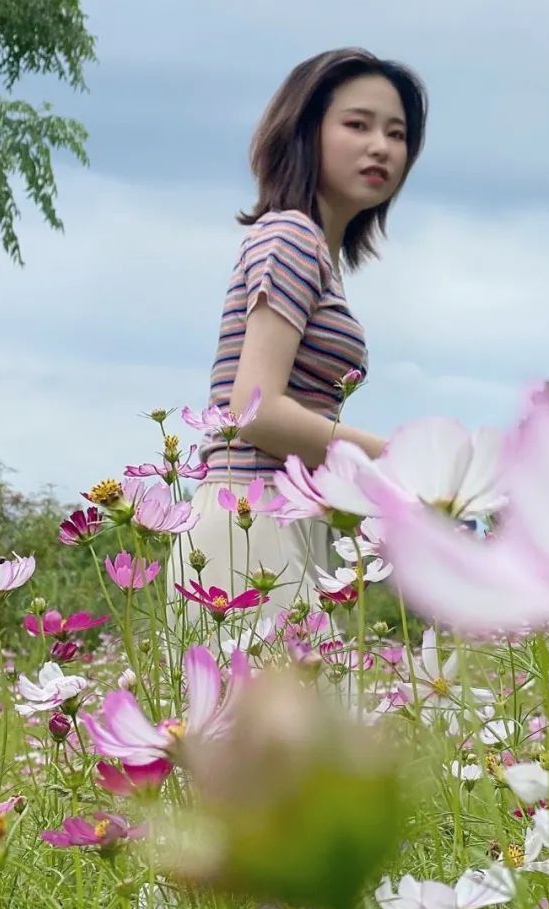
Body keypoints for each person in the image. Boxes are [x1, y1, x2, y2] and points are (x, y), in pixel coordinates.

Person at [181, 47, 428, 617]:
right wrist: (390, 459)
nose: (381, 147)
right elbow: (255, 408)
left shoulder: (314, 250)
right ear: (304, 131)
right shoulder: (290, 237)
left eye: (396, 133)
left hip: (283, 517)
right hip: (252, 523)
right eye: (357, 124)